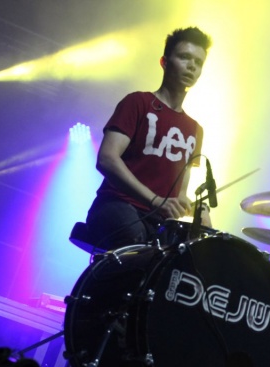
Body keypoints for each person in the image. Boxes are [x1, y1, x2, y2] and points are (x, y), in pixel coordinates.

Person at [85, 26, 213, 251]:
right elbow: (107, 158)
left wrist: (196, 210)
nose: (192, 66)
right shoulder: (138, 103)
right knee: (136, 239)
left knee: (187, 257)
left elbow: (179, 194)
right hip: (117, 205)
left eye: (198, 62)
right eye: (184, 57)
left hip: (157, 222)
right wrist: (155, 200)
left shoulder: (195, 130)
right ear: (164, 62)